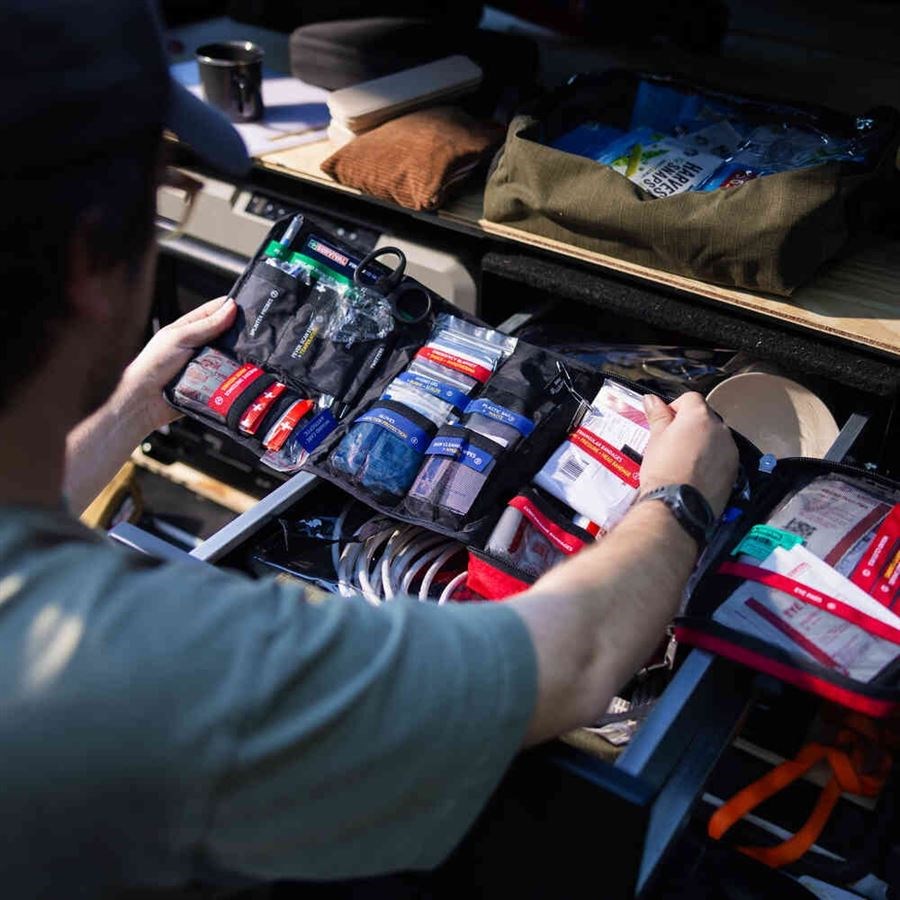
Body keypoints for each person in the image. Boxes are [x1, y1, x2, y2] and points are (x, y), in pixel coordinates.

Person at [0, 1, 738, 897]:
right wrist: (676, 500)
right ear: (89, 261)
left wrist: (125, 409)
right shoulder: (152, 672)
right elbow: (572, 663)